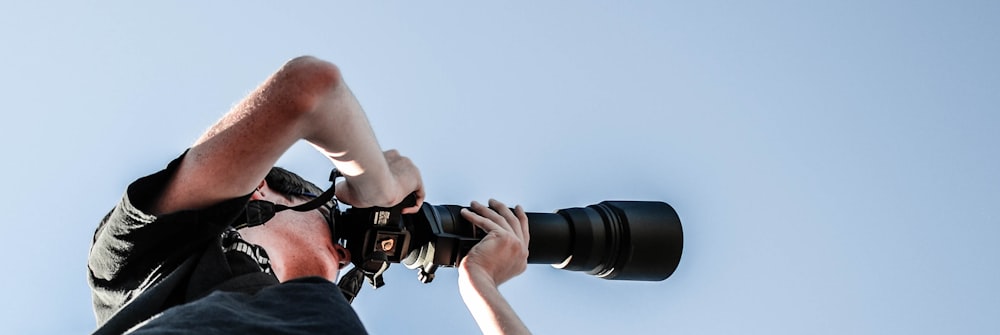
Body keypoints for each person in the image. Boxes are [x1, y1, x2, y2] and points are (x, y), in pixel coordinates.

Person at [88, 56, 532, 335]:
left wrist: (481, 286)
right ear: (260, 188)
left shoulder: (324, 315)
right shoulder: (140, 266)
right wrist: (378, 185)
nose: (344, 255)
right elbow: (309, 89)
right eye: (332, 211)